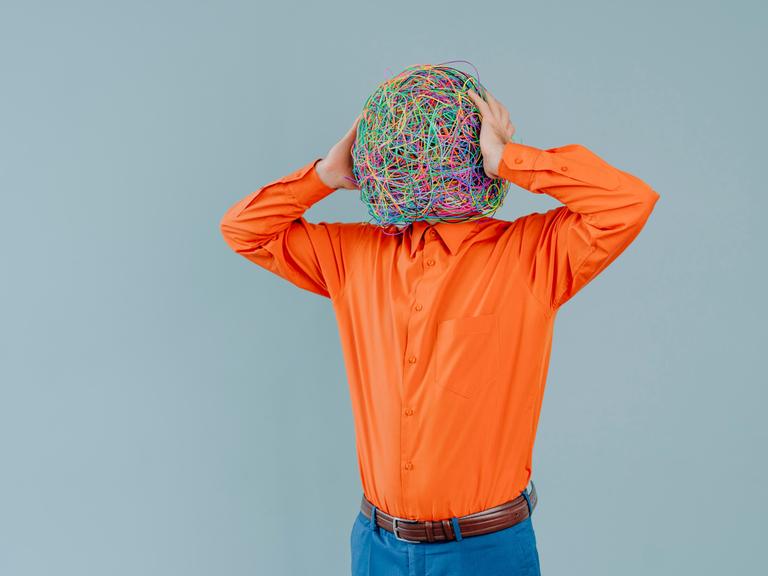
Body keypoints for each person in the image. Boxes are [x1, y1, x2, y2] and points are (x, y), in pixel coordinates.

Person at [219, 86, 660, 575]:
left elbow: (627, 202)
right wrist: (325, 175)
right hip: (375, 545)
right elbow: (243, 229)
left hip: (485, 550)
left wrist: (509, 158)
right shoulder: (354, 257)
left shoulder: (532, 257)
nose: (420, 159)